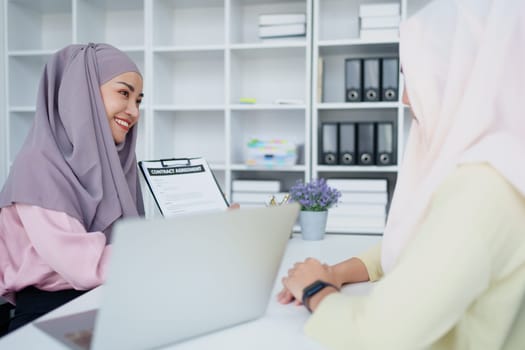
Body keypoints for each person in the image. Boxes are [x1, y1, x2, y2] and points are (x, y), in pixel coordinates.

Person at [278, 0, 525, 348]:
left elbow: (378, 335)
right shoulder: (505, 161)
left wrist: (315, 290)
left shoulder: (484, 187)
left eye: (413, 77)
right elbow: (429, 242)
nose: (406, 98)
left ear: (460, 73)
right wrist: (336, 272)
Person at [0, 43, 145, 332]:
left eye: (139, 100)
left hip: (107, 301)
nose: (133, 111)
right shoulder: (39, 166)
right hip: (50, 316)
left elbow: (133, 241)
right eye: (124, 93)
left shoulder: (112, 165)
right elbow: (85, 267)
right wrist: (164, 250)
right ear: (83, 93)